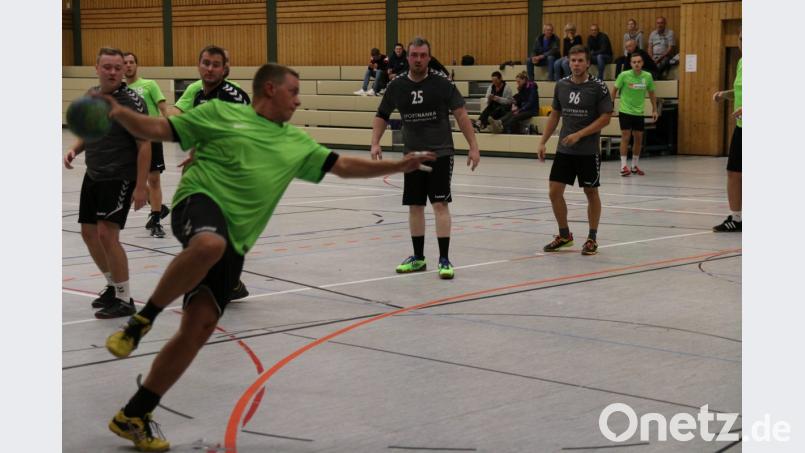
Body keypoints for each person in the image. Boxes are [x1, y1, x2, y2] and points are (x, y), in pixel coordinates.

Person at [100, 63, 436, 452]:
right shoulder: (219, 112)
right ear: (271, 89)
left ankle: (134, 415)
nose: (298, 99)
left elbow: (342, 166)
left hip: (237, 240)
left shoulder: (295, 142)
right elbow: (156, 129)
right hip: (200, 204)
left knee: (198, 328)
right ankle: (141, 322)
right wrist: (118, 111)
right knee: (209, 245)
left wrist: (398, 164)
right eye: (293, 91)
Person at [370, 36, 480, 279]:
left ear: (429, 57)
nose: (418, 59)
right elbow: (382, 114)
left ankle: (444, 259)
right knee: (415, 205)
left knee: (440, 204)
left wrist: (473, 145)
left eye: (422, 55)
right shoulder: (397, 85)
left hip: (440, 153)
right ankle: (418, 258)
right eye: (414, 55)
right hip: (412, 156)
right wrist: (375, 141)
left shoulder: (442, 84)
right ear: (407, 57)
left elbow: (461, 114)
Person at [63, 47, 151, 318]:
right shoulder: (92, 95)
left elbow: (144, 144)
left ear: (124, 70)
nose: (112, 72)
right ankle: (113, 287)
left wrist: (140, 185)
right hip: (94, 174)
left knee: (106, 234)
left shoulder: (131, 101)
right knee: (88, 234)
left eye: (117, 67)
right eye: (107, 67)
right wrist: (75, 149)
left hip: (119, 176)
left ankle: (125, 300)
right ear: (97, 67)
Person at [537, 45, 613, 256]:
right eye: (573, 61)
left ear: (588, 63)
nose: (577, 64)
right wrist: (543, 141)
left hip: (588, 151)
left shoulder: (598, 87)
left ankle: (592, 238)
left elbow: (606, 118)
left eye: (580, 60)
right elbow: (555, 115)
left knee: (591, 192)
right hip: (565, 150)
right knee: (554, 192)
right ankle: (564, 235)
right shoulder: (561, 85)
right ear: (568, 62)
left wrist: (580, 135)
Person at [123, 52, 171, 238]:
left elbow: (164, 109)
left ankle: (156, 221)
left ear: (137, 65)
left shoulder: (149, 85)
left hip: (151, 137)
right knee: (133, 180)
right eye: (125, 63)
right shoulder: (120, 90)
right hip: (129, 140)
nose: (128, 65)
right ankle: (159, 207)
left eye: (131, 62)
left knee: (154, 180)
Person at [712, 30, 742, 232]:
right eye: (741, 38)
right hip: (742, 127)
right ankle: (737, 218)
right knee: (734, 172)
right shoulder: (742, 63)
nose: (743, 43)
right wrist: (725, 95)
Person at [612, 52, 658, 176]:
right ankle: (623, 166)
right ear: (631, 64)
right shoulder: (624, 75)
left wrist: (654, 109)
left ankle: (634, 166)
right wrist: (611, 105)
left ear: (642, 63)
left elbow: (652, 93)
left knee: (638, 138)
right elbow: (614, 89)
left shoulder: (647, 76)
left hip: (639, 112)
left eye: (639, 62)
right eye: (634, 62)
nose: (636, 64)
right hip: (625, 111)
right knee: (626, 136)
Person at [172, 49, 242, 114]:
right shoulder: (196, 89)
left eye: (226, 61)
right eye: (207, 63)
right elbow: (177, 113)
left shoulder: (235, 88)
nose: (210, 69)